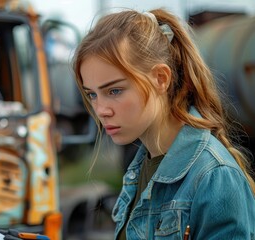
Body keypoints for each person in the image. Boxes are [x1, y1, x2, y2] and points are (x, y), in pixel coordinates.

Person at [72, 8, 255, 239]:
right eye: (92, 94)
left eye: (114, 90)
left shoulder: (214, 177)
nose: (101, 110)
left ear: (161, 79)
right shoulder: (140, 168)